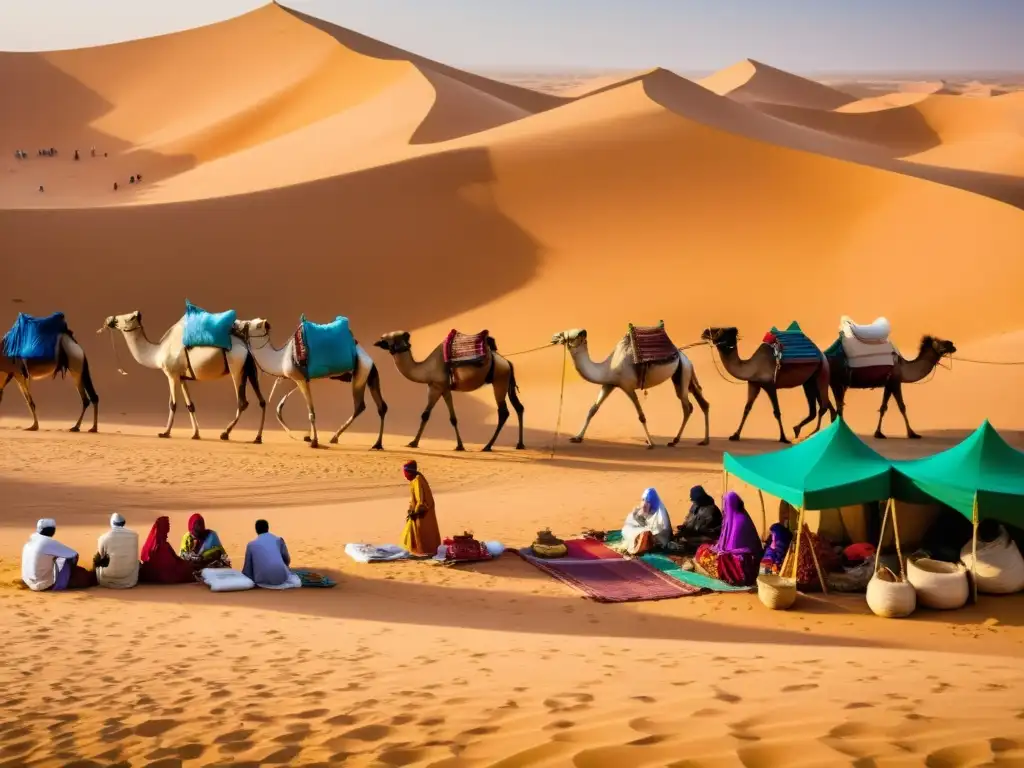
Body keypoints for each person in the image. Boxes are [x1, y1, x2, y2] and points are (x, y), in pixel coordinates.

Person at [695, 492, 764, 586]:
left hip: (741, 564)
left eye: (725, 504)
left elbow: (732, 550)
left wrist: (718, 551)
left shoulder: (738, 521)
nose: (724, 507)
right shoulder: (737, 517)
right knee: (704, 547)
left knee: (707, 555)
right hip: (742, 558)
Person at [21, 518, 95, 591]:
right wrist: (72, 571)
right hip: (43, 585)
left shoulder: (31, 540)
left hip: (28, 582)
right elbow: (74, 555)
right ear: (53, 530)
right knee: (83, 575)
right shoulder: (47, 542)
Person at [139, 517, 197, 584]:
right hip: (166, 575)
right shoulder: (161, 546)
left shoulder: (156, 544)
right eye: (167, 526)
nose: (169, 527)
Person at [401, 460, 441, 556]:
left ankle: (427, 551)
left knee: (424, 532)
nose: (404, 475)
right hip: (419, 511)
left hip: (424, 512)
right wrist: (411, 509)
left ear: (409, 472)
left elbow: (421, 498)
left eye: (405, 472)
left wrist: (416, 512)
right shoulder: (414, 480)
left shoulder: (418, 480)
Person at [621, 487, 672, 555]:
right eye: (643, 500)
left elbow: (656, 534)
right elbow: (642, 519)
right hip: (649, 531)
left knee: (638, 534)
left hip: (659, 540)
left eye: (647, 501)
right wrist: (636, 514)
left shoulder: (660, 516)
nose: (644, 504)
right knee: (628, 527)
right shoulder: (649, 507)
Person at [95, 513, 139, 589]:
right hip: (130, 581)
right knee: (136, 561)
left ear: (111, 523)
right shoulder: (134, 535)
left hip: (106, 581)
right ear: (124, 523)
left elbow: (101, 556)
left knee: (97, 559)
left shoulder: (103, 537)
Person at [241, 519, 292, 586]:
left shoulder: (251, 545)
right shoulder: (278, 540)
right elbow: (287, 559)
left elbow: (247, 568)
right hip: (282, 577)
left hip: (262, 579)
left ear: (256, 530)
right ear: (268, 528)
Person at [677, 485, 723, 551]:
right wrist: (684, 527)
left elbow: (703, 528)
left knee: (686, 541)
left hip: (708, 536)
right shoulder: (695, 505)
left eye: (695, 500)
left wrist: (688, 531)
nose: (693, 502)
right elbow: (689, 518)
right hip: (694, 533)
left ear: (701, 499)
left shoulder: (711, 510)